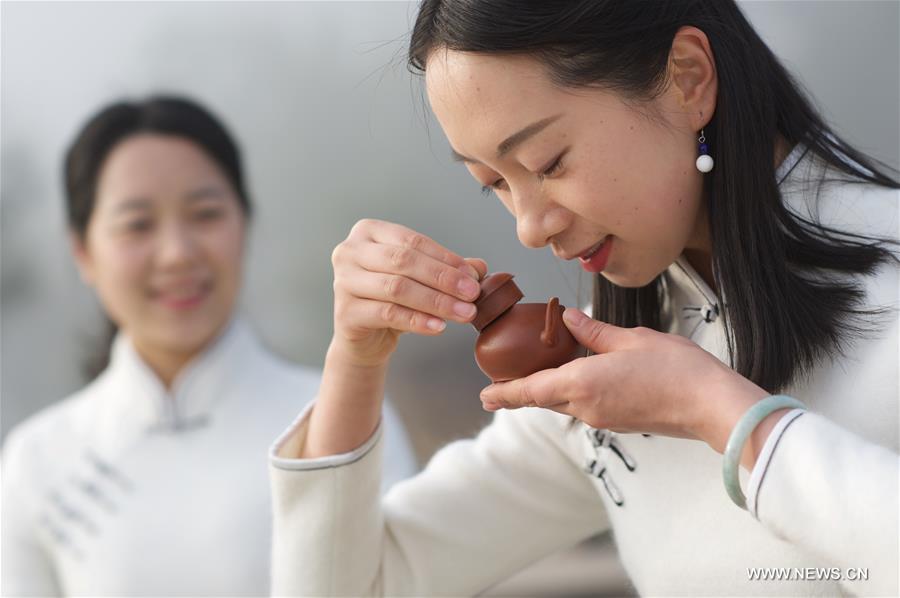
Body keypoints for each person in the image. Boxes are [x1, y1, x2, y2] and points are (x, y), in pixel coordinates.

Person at [268, 1, 899, 596]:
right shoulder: (607, 374)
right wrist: (356, 356)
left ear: (687, 79)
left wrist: (719, 413)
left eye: (547, 162)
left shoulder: (641, 379)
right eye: (494, 184)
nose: (529, 226)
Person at [0, 96, 417, 597]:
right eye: (137, 224)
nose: (177, 253)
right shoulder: (40, 459)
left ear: (245, 224)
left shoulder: (345, 420)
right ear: (83, 253)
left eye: (205, 214)